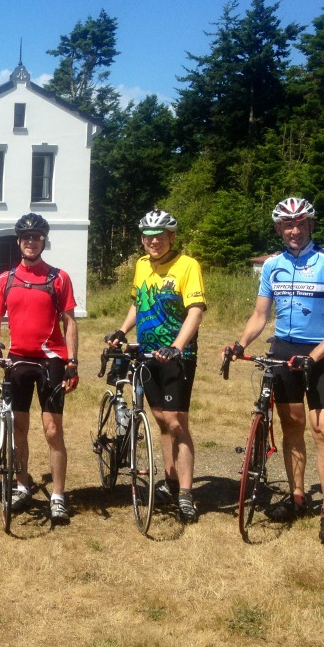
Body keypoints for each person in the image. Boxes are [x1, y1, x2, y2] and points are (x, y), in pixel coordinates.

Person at [227, 197, 324, 546]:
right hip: (283, 349)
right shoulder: (272, 265)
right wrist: (241, 343)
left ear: (310, 225)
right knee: (292, 426)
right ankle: (297, 497)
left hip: (320, 353)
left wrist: (314, 356)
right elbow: (259, 315)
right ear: (279, 228)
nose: (294, 230)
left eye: (300, 223)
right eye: (287, 224)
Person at [104, 210, 206, 523]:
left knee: (177, 423)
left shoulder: (187, 265)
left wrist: (176, 347)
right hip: (147, 355)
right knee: (161, 419)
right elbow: (138, 302)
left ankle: (187, 494)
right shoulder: (141, 265)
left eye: (160, 235)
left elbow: (196, 311)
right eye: (148, 236)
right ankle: (171, 481)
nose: (154, 241)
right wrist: (122, 330)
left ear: (171, 237)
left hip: (177, 356)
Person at [0, 213, 79, 524]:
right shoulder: (5, 279)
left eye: (36, 236)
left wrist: (72, 362)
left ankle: (58, 495)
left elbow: (70, 322)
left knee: (52, 431)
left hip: (51, 361)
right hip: (18, 360)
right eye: (26, 237)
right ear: (19, 241)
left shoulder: (58, 278)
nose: (31, 241)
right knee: (19, 429)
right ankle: (23, 485)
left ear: (43, 241)